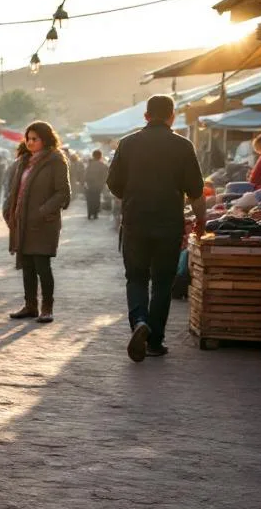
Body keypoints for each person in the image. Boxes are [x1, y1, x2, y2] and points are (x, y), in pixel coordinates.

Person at [107, 94, 206, 361]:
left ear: (146, 116)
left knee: (136, 277)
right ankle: (154, 341)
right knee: (162, 282)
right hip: (168, 223)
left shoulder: (128, 144)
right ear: (172, 117)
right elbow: (196, 190)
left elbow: (113, 183)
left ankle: (140, 320)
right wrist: (201, 220)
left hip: (135, 221)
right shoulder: (183, 146)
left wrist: (131, 195)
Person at [3, 122, 71, 323]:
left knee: (42, 266)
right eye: (28, 138)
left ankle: (47, 308)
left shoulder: (56, 160)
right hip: (23, 222)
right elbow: (15, 190)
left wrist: (42, 211)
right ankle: (30, 305)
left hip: (43, 223)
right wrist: (9, 210)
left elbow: (63, 192)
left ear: (45, 139)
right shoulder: (24, 161)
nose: (30, 142)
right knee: (27, 266)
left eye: (35, 139)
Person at [84, 149, 109, 220]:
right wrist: (102, 184)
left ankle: (89, 213)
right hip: (98, 186)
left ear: (93, 155)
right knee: (97, 199)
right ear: (100, 156)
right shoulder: (103, 165)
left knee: (90, 200)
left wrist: (86, 183)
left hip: (90, 186)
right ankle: (95, 213)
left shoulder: (89, 165)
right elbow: (105, 177)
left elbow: (85, 175)